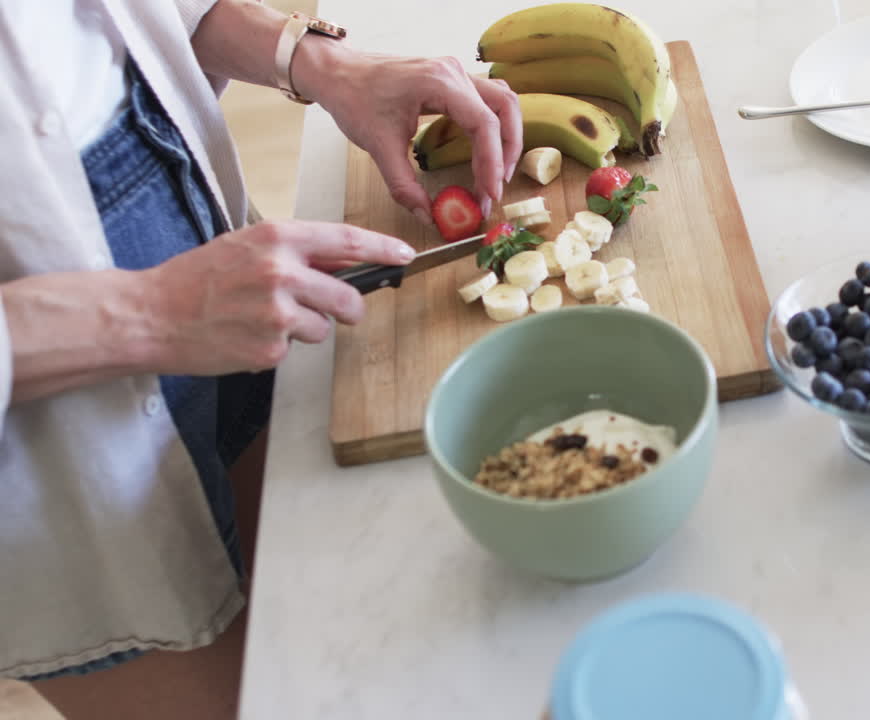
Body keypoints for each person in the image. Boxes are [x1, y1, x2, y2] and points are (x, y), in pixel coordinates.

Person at [0, 0, 522, 716]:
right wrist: (153, 311)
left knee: (352, 638)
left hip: (194, 226)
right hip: (55, 462)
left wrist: (313, 59)